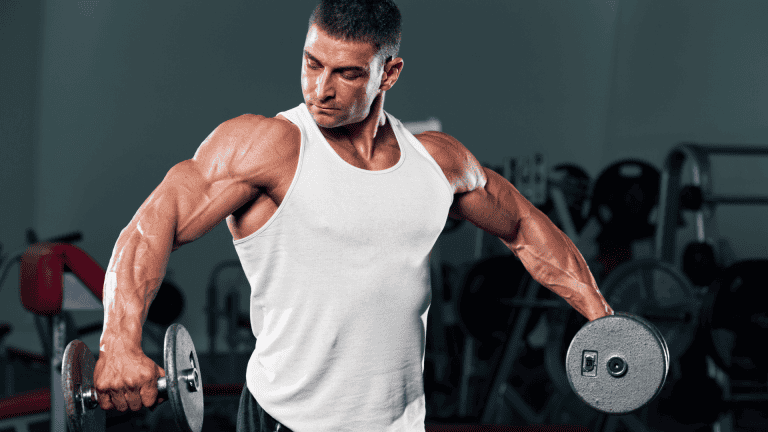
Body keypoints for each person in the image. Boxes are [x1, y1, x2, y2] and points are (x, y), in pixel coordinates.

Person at [93, 0, 614, 431]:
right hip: (286, 419)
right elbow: (150, 223)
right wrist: (118, 340)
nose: (321, 89)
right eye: (311, 63)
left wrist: (600, 316)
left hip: (402, 423)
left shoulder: (438, 162)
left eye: (346, 74)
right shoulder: (269, 146)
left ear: (389, 72)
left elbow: (522, 225)